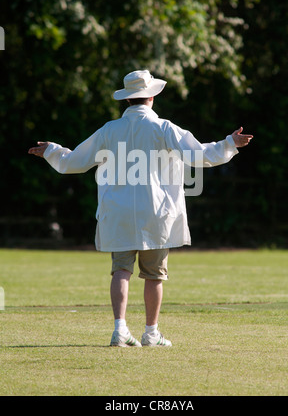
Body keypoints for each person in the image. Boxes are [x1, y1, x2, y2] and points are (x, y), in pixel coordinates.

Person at [28, 69, 253, 347]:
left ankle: (119, 330)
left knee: (121, 270)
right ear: (151, 97)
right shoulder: (164, 128)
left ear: (127, 100)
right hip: (157, 212)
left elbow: (74, 161)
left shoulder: (109, 130)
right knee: (154, 274)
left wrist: (52, 150)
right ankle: (150, 332)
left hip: (118, 211)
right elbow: (201, 155)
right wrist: (230, 143)